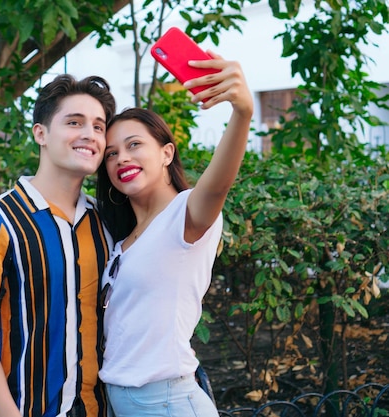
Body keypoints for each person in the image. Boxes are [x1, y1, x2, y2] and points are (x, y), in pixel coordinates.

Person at [96, 52, 253, 416]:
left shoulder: (186, 215)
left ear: (166, 152)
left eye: (134, 145)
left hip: (167, 402)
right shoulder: (122, 242)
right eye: (111, 153)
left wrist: (242, 112)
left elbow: (217, 186)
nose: (121, 158)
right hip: (124, 401)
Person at [0, 74, 116, 417]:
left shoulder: (105, 225)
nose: (89, 134)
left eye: (99, 127)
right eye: (74, 122)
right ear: (40, 133)